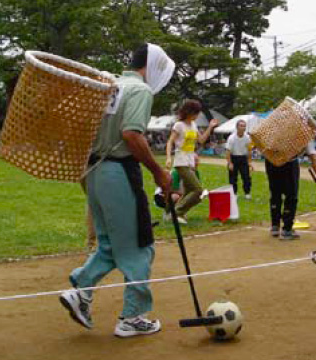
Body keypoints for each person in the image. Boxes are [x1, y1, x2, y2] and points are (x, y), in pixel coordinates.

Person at [60, 43, 176, 337]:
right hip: (119, 172)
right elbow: (132, 135)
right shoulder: (140, 91)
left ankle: (81, 292)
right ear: (151, 67)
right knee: (140, 245)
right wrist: (159, 171)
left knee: (110, 243)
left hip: (95, 171)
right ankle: (132, 317)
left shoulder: (109, 87)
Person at [265, 120, 316, 240]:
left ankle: (275, 226)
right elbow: (313, 157)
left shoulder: (282, 129)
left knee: (275, 194)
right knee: (291, 196)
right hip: (289, 164)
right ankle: (286, 230)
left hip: (271, 162)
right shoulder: (305, 135)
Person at [165, 100, 218, 223]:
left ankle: (173, 213)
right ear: (189, 112)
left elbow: (201, 140)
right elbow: (170, 142)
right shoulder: (179, 125)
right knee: (198, 191)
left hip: (190, 162)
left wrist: (210, 127)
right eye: (196, 112)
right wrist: (168, 157)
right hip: (181, 162)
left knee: (190, 191)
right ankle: (176, 213)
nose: (198, 115)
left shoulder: (194, 125)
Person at [225, 120, 252, 199]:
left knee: (246, 177)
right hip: (234, 157)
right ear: (237, 127)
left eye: (244, 126)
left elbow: (249, 150)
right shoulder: (232, 138)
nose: (243, 127)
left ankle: (247, 193)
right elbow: (228, 151)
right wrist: (230, 163)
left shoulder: (247, 137)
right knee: (233, 177)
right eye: (241, 126)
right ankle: (234, 193)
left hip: (243, 158)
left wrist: (249, 162)